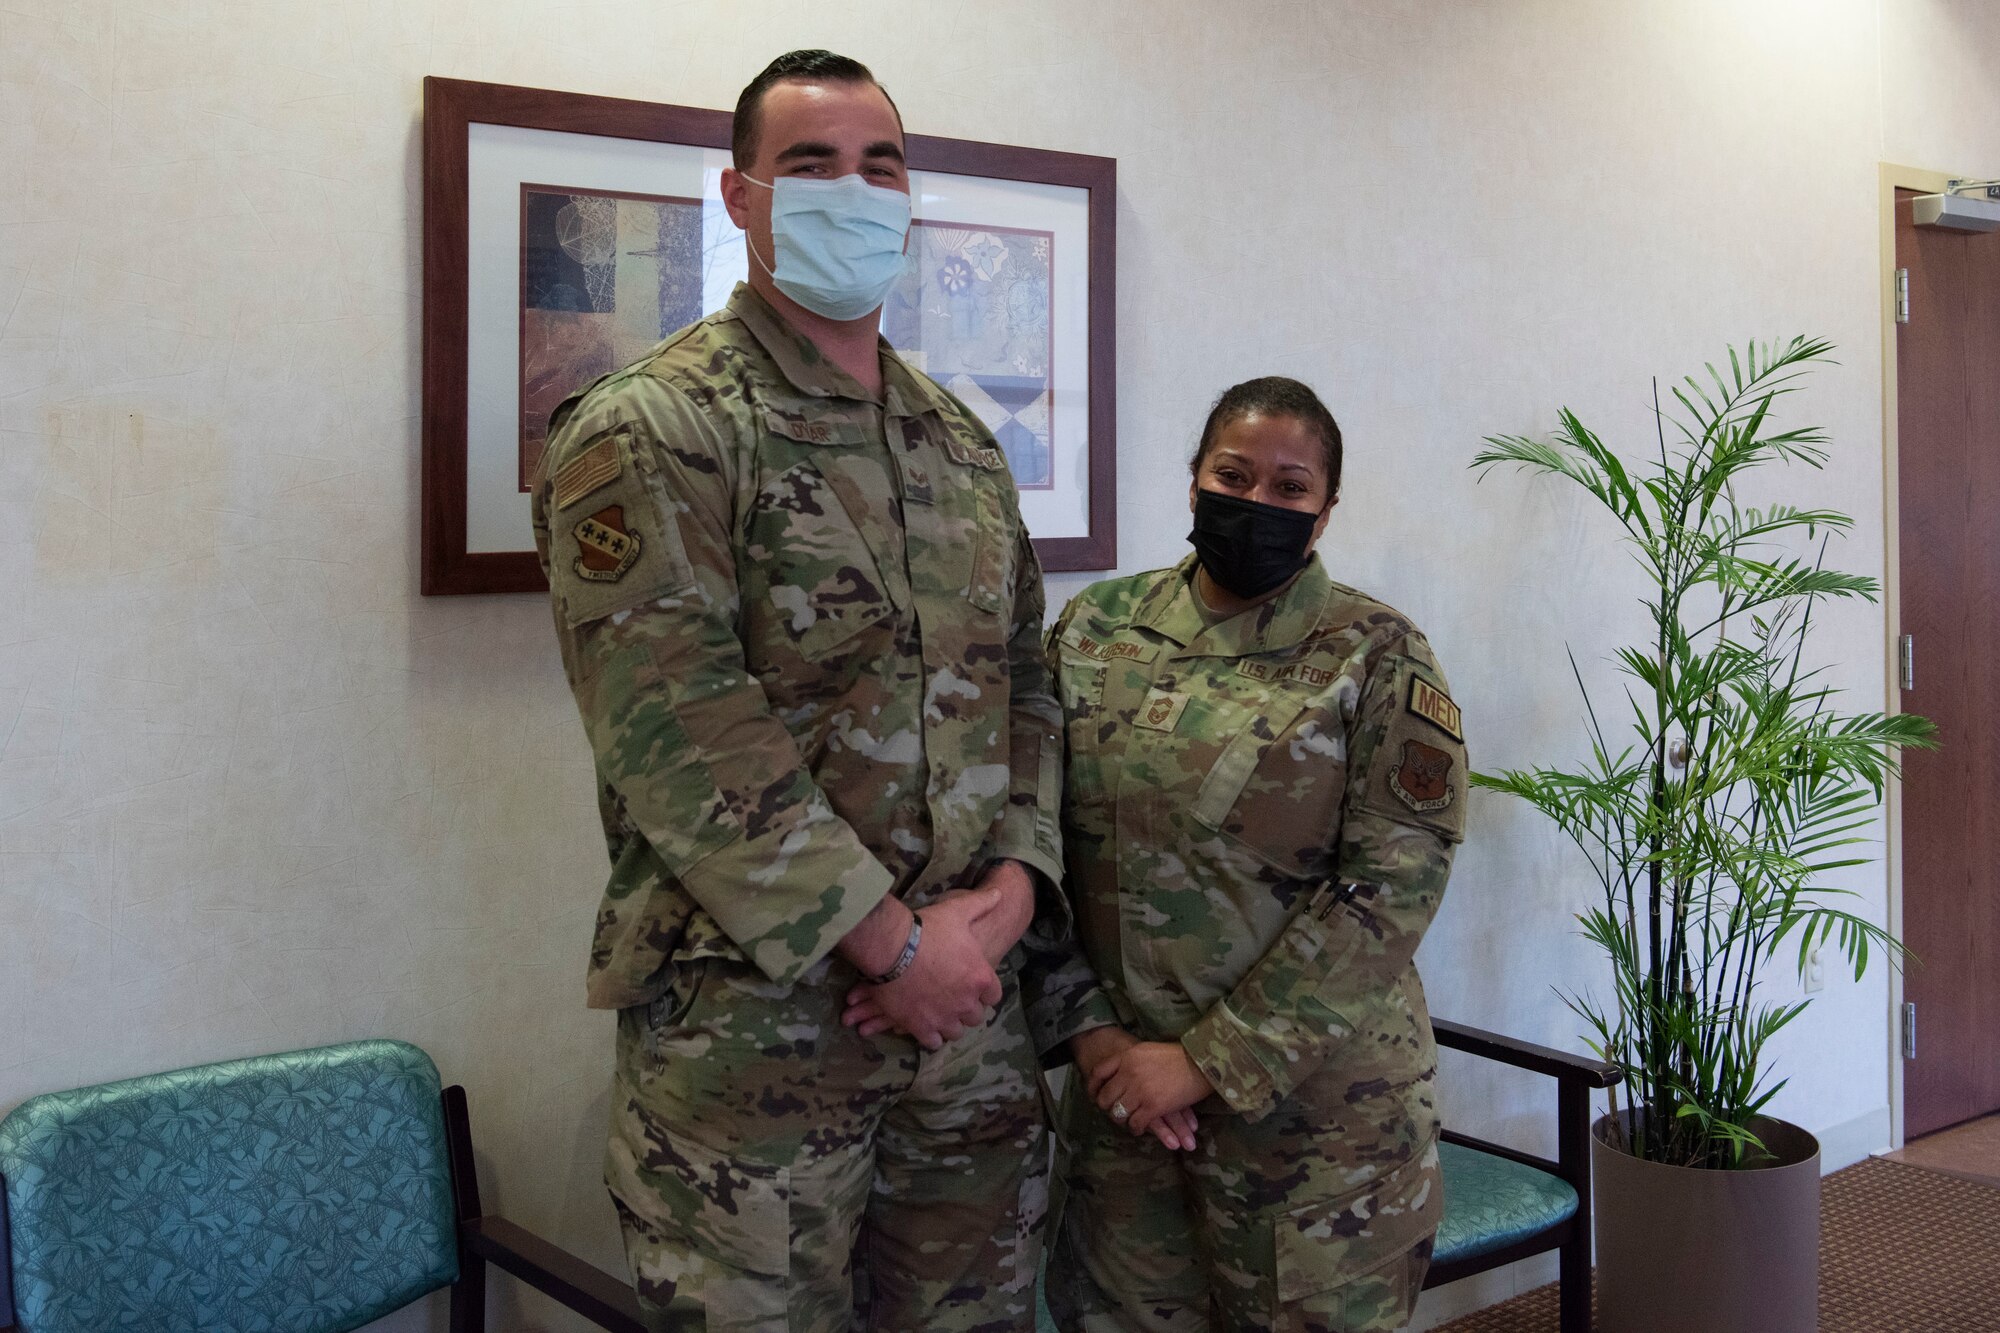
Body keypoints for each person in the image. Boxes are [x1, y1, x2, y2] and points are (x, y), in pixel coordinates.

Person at [530, 49, 1072, 1333]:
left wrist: (1011, 892)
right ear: (740, 196)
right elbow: (681, 731)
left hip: (966, 1033)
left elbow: (1030, 686)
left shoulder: (955, 439)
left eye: (878, 165)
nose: (852, 188)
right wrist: (895, 945)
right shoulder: (655, 427)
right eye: (810, 164)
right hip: (758, 1042)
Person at [1033, 377, 1467, 1332]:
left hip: (1316, 1144)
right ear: (1193, 482)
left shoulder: (1378, 655)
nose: (1256, 503)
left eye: (1289, 488)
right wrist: (1097, 1039)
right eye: (1234, 475)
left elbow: (1388, 893)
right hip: (1124, 1128)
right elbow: (1031, 848)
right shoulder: (1093, 631)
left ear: (1324, 514)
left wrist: (1204, 1062)